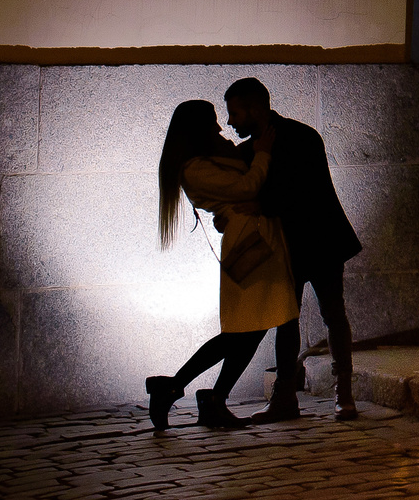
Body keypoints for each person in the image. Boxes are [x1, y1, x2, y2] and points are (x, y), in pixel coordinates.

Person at [145, 100, 296, 431]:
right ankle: (179, 387)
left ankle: (203, 394)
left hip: (258, 237)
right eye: (211, 122)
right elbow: (246, 186)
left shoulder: (208, 160)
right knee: (244, 329)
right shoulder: (194, 168)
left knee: (252, 328)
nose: (218, 128)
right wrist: (263, 153)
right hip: (249, 242)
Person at [223, 77, 364, 422]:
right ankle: (292, 396)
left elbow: (301, 191)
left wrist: (260, 203)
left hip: (319, 239)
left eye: (235, 113)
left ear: (256, 109)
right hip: (289, 244)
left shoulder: (302, 138)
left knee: (329, 314)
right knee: (289, 319)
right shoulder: (257, 149)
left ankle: (340, 392)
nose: (230, 122)